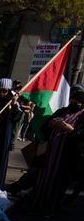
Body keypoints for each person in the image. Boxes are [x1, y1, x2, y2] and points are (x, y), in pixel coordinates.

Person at [30, 85, 84, 214]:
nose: (76, 103)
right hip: (49, 155)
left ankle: (51, 209)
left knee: (59, 183)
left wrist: (71, 130)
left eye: (80, 101)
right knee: (43, 180)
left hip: (67, 157)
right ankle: (37, 206)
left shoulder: (82, 116)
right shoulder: (62, 111)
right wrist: (52, 124)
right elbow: (45, 127)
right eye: (74, 100)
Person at [0, 78, 33, 185]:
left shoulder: (12, 102)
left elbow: (16, 118)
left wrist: (14, 104)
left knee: (0, 160)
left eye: (4, 91)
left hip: (4, 135)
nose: (1, 93)